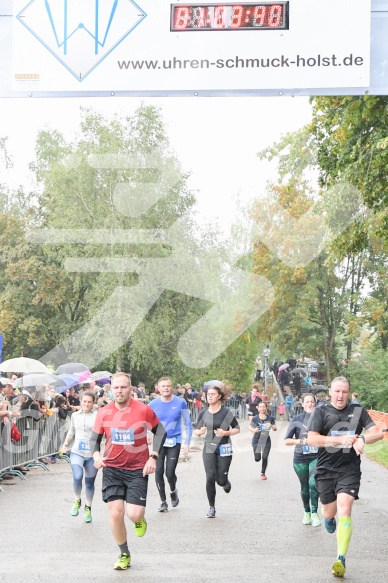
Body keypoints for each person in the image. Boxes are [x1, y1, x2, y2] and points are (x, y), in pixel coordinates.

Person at [307, 377, 384, 578]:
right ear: (330, 392)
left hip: (349, 470)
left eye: (345, 392)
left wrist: (362, 439)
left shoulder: (357, 411)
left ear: (349, 393)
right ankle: (328, 517)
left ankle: (340, 558)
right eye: (337, 391)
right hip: (325, 470)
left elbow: (378, 433)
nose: (341, 396)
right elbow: (312, 439)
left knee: (346, 508)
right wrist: (339, 439)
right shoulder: (321, 412)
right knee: (329, 511)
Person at [91, 372, 166, 571]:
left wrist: (154, 456)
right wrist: (96, 456)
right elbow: (94, 440)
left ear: (130, 389)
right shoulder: (104, 412)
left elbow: (160, 432)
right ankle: (124, 553)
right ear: (111, 389)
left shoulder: (143, 410)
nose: (119, 391)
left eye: (123, 387)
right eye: (115, 388)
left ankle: (139, 519)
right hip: (112, 468)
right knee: (115, 514)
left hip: (137, 469)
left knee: (133, 515)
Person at [193, 381, 240, 518]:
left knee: (220, 480)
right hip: (209, 448)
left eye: (213, 394)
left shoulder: (226, 413)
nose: (210, 397)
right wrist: (199, 431)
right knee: (210, 477)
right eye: (208, 394)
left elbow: (237, 429)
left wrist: (225, 433)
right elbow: (196, 430)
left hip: (224, 447)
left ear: (219, 396)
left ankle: (225, 482)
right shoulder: (204, 413)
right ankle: (211, 507)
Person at [148, 376, 193, 512]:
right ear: (158, 389)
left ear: (172, 388)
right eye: (163, 386)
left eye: (168, 386)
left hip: (175, 440)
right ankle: (163, 502)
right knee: (158, 472)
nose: (166, 388)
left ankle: (173, 490)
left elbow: (188, 423)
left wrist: (187, 442)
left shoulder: (180, 402)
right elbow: (146, 422)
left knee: (169, 473)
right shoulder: (153, 404)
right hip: (158, 442)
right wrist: (146, 435)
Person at [285, 393, 321, 527]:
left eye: (312, 402)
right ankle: (306, 512)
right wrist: (301, 441)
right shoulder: (296, 419)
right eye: (307, 402)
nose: (310, 404)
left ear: (315, 404)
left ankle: (314, 512)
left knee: (313, 483)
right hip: (300, 458)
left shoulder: (320, 419)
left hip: (316, 456)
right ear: (302, 404)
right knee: (305, 486)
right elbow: (287, 441)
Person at [62, 390, 99, 523]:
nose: (86, 404)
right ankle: (77, 499)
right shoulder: (75, 415)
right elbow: (71, 430)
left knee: (89, 483)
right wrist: (66, 442)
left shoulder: (97, 416)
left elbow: (103, 432)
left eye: (89, 402)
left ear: (93, 403)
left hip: (92, 453)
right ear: (81, 401)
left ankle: (88, 507)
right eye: (84, 401)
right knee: (77, 476)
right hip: (77, 450)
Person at [249, 401, 277, 480]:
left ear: (266, 408)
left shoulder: (270, 418)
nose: (262, 408)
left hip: (266, 440)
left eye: (263, 407)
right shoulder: (255, 418)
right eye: (260, 407)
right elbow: (250, 427)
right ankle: (257, 458)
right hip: (256, 440)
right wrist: (254, 430)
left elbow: (275, 428)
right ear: (258, 408)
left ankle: (263, 473)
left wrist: (271, 425)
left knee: (265, 457)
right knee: (257, 458)